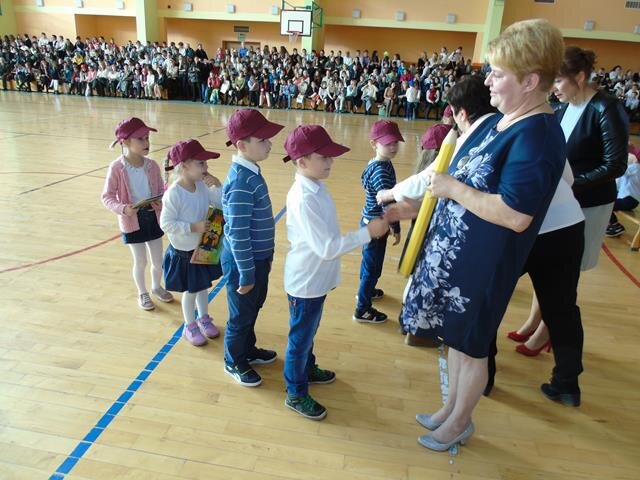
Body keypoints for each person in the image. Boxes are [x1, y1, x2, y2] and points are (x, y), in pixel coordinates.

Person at [384, 19, 566, 451]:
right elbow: (454, 181)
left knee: (473, 345)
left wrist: (452, 189)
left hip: (484, 267)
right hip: (456, 260)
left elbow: (516, 215)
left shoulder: (537, 137)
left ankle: (459, 422)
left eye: (498, 74)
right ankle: (449, 409)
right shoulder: (495, 123)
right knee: (456, 340)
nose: (488, 81)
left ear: (530, 81)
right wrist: (417, 207)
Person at [509, 46, 629, 355]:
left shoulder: (606, 108)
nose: (554, 89)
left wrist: (571, 183)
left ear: (580, 77)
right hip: (560, 200)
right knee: (546, 264)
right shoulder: (562, 108)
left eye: (559, 81)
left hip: (589, 202)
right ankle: (534, 321)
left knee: (565, 272)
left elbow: (615, 164)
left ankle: (545, 333)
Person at [281, 125, 390, 420]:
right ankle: (295, 392)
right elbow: (328, 248)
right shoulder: (304, 198)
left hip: (316, 279)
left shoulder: (316, 186)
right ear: (302, 161)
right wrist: (367, 232)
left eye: (330, 156)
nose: (331, 162)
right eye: (324, 157)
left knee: (308, 331)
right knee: (300, 338)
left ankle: (306, 368)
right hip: (306, 282)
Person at [222, 109, 285, 387]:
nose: (270, 144)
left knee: (252, 307)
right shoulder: (240, 181)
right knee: (240, 314)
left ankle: (247, 349)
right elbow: (237, 233)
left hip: (257, 259)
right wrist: (247, 273)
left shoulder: (251, 172)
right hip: (243, 263)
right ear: (242, 145)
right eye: (263, 140)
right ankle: (233, 360)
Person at [101, 118, 174, 311]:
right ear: (125, 142)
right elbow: (107, 197)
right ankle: (143, 292)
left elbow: (161, 190)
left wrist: (160, 202)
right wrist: (123, 209)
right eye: (140, 139)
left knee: (158, 260)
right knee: (140, 261)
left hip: (153, 218)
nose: (146, 142)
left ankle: (156, 287)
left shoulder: (152, 166)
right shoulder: (117, 168)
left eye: (147, 138)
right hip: (132, 221)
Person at [160, 140, 224, 346]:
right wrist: (193, 227)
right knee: (191, 291)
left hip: (202, 248)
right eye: (201, 163)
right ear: (184, 166)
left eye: (205, 163)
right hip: (184, 253)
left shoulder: (202, 186)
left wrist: (217, 185)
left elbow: (220, 203)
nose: (206, 167)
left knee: (202, 287)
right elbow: (166, 223)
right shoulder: (174, 193)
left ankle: (204, 318)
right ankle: (190, 326)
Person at [354, 120, 403, 324]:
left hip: (369, 221)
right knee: (372, 268)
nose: (393, 147)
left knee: (369, 263)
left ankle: (366, 290)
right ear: (374, 144)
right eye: (387, 143)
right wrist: (396, 228)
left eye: (395, 142)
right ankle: (362, 309)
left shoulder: (378, 163)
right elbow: (387, 203)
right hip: (376, 226)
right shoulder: (381, 171)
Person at [607, 144, 640, 237]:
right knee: (608, 202)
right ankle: (613, 225)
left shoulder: (636, 168)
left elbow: (620, 170)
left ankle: (615, 225)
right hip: (631, 200)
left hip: (628, 200)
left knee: (607, 205)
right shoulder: (635, 168)